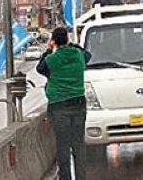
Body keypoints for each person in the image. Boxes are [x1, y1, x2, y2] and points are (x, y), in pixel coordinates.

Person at [36, 27, 92, 180]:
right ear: (67, 39)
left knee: (63, 145)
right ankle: (81, 177)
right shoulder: (79, 55)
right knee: (78, 145)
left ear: (54, 41)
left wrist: (48, 50)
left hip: (58, 106)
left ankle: (66, 177)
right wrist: (73, 44)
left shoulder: (51, 60)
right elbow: (88, 55)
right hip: (78, 104)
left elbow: (40, 68)